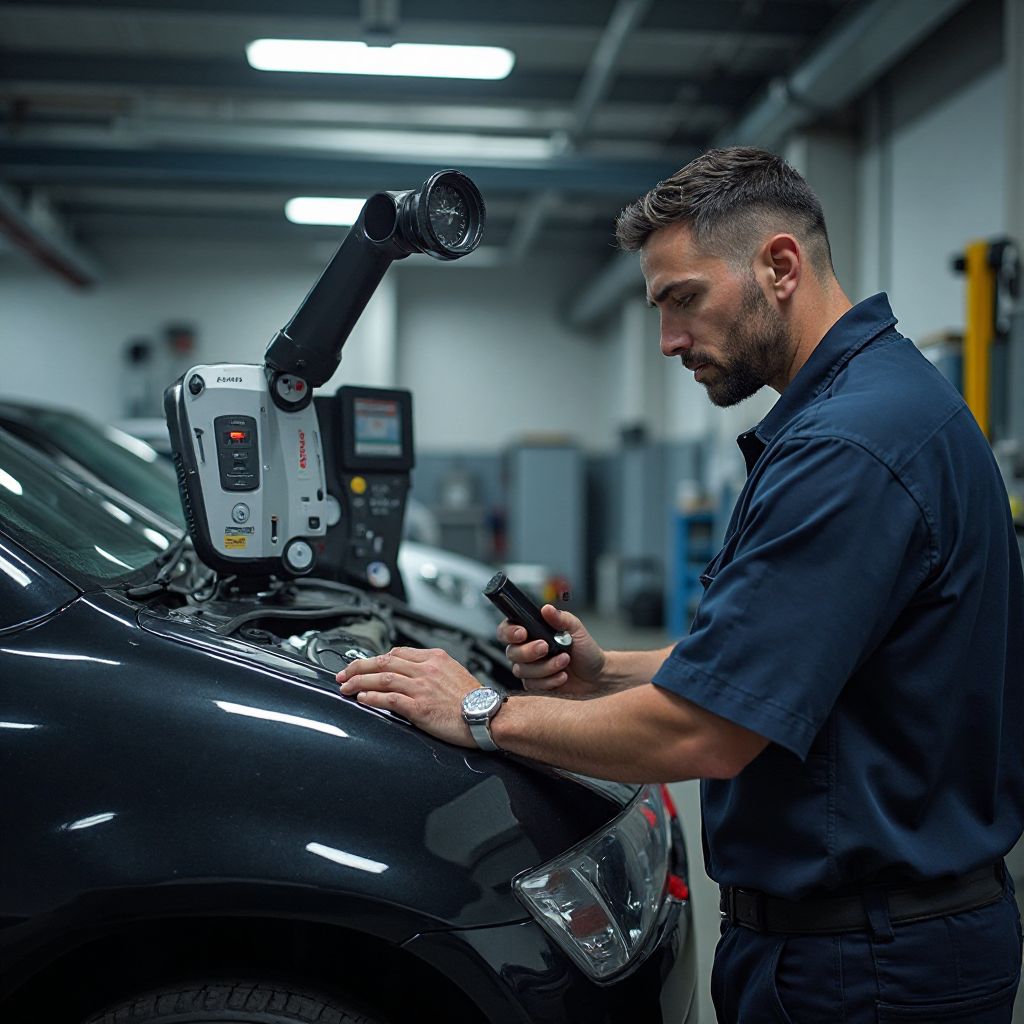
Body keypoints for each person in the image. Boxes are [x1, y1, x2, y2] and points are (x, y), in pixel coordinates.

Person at [338, 147, 1024, 1021]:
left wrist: (478, 712)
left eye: (682, 300)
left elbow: (709, 731)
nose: (667, 341)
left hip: (866, 969)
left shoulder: (848, 450)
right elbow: (784, 660)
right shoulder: (876, 407)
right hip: (867, 942)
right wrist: (606, 672)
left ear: (779, 266)